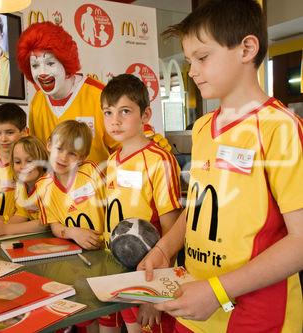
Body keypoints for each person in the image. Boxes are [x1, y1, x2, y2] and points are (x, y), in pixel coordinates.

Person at [138, 1, 303, 332]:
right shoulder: (202, 128)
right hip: (196, 301)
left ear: (247, 48)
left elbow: (300, 242)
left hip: (257, 312)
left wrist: (217, 290)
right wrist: (164, 248)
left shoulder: (279, 128)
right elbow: (199, 204)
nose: (192, 71)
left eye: (202, 57)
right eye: (189, 61)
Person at [101, 74, 181, 333]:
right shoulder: (112, 161)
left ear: (145, 115)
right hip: (119, 268)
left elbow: (172, 230)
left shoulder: (160, 160)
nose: (115, 120)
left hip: (149, 274)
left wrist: (153, 296)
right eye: (108, 112)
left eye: (125, 111)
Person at [17, 22, 118, 165]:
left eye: (50, 63)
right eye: (35, 65)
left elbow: (126, 147)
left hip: (98, 185)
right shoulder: (37, 101)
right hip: (54, 186)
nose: (42, 73)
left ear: (65, 62)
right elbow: (37, 153)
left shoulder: (100, 95)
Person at [36, 120, 104, 250]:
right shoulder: (42, 186)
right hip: (71, 250)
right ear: (49, 145)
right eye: (59, 149)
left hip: (102, 248)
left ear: (82, 157)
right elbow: (55, 225)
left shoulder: (91, 171)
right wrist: (74, 233)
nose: (63, 157)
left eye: (72, 153)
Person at [0, 136, 49, 237]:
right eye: (17, 162)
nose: (23, 166)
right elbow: (22, 215)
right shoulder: (22, 186)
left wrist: (6, 229)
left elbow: (44, 224)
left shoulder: (47, 185)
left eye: (29, 161)